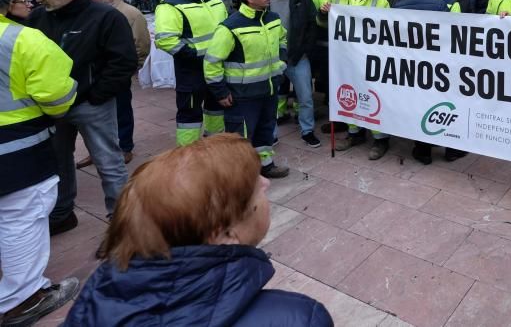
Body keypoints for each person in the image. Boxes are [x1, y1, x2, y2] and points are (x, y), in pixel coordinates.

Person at [66, 134, 334, 326]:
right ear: (224, 234)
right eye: (254, 190)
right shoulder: (299, 318)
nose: (265, 184)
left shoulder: (90, 303)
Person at [23, 0, 136, 236]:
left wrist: (96, 95)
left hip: (91, 105)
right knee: (58, 162)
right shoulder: (38, 17)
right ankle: (62, 214)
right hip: (51, 106)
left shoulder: (106, 17)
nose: (38, 0)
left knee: (109, 163)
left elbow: (123, 62)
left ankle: (123, 225)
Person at [0, 0, 81, 326]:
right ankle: (22, 300)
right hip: (17, 153)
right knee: (22, 220)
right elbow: (57, 99)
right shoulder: (23, 39)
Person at [205, 0, 290, 179]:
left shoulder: (273, 19)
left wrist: (282, 61)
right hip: (242, 95)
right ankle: (237, 177)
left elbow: (283, 40)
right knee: (239, 137)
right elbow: (212, 62)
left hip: (268, 90)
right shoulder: (229, 27)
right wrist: (220, 91)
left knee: (266, 128)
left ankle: (265, 165)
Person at [321, 0, 392, 158]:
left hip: (370, 58)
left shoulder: (380, 0)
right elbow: (323, 21)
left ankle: (380, 139)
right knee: (349, 94)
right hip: (345, 58)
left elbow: (387, 28)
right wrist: (323, 11)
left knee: (373, 96)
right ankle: (355, 133)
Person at [154, 0, 229, 147]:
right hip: (191, 69)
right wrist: (197, 56)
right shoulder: (170, 4)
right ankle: (188, 154)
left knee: (216, 107)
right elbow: (166, 40)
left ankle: (214, 145)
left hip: (217, 66)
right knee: (190, 114)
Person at [394, 0, 465, 165]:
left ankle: (423, 150)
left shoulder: (398, 6)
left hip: (413, 66)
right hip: (439, 66)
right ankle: (451, 149)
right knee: (444, 105)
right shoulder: (441, 5)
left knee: (420, 106)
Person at [82, 0, 150, 166]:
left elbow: (142, 43)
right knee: (94, 115)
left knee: (121, 110)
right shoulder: (89, 12)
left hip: (117, 72)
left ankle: (124, 147)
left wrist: (132, 68)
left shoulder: (130, 13)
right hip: (93, 73)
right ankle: (97, 150)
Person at [267, 0, 320, 149]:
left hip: (298, 57)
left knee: (305, 97)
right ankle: (270, 134)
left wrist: (305, 50)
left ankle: (307, 131)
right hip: (270, 59)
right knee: (270, 99)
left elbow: (312, 25)